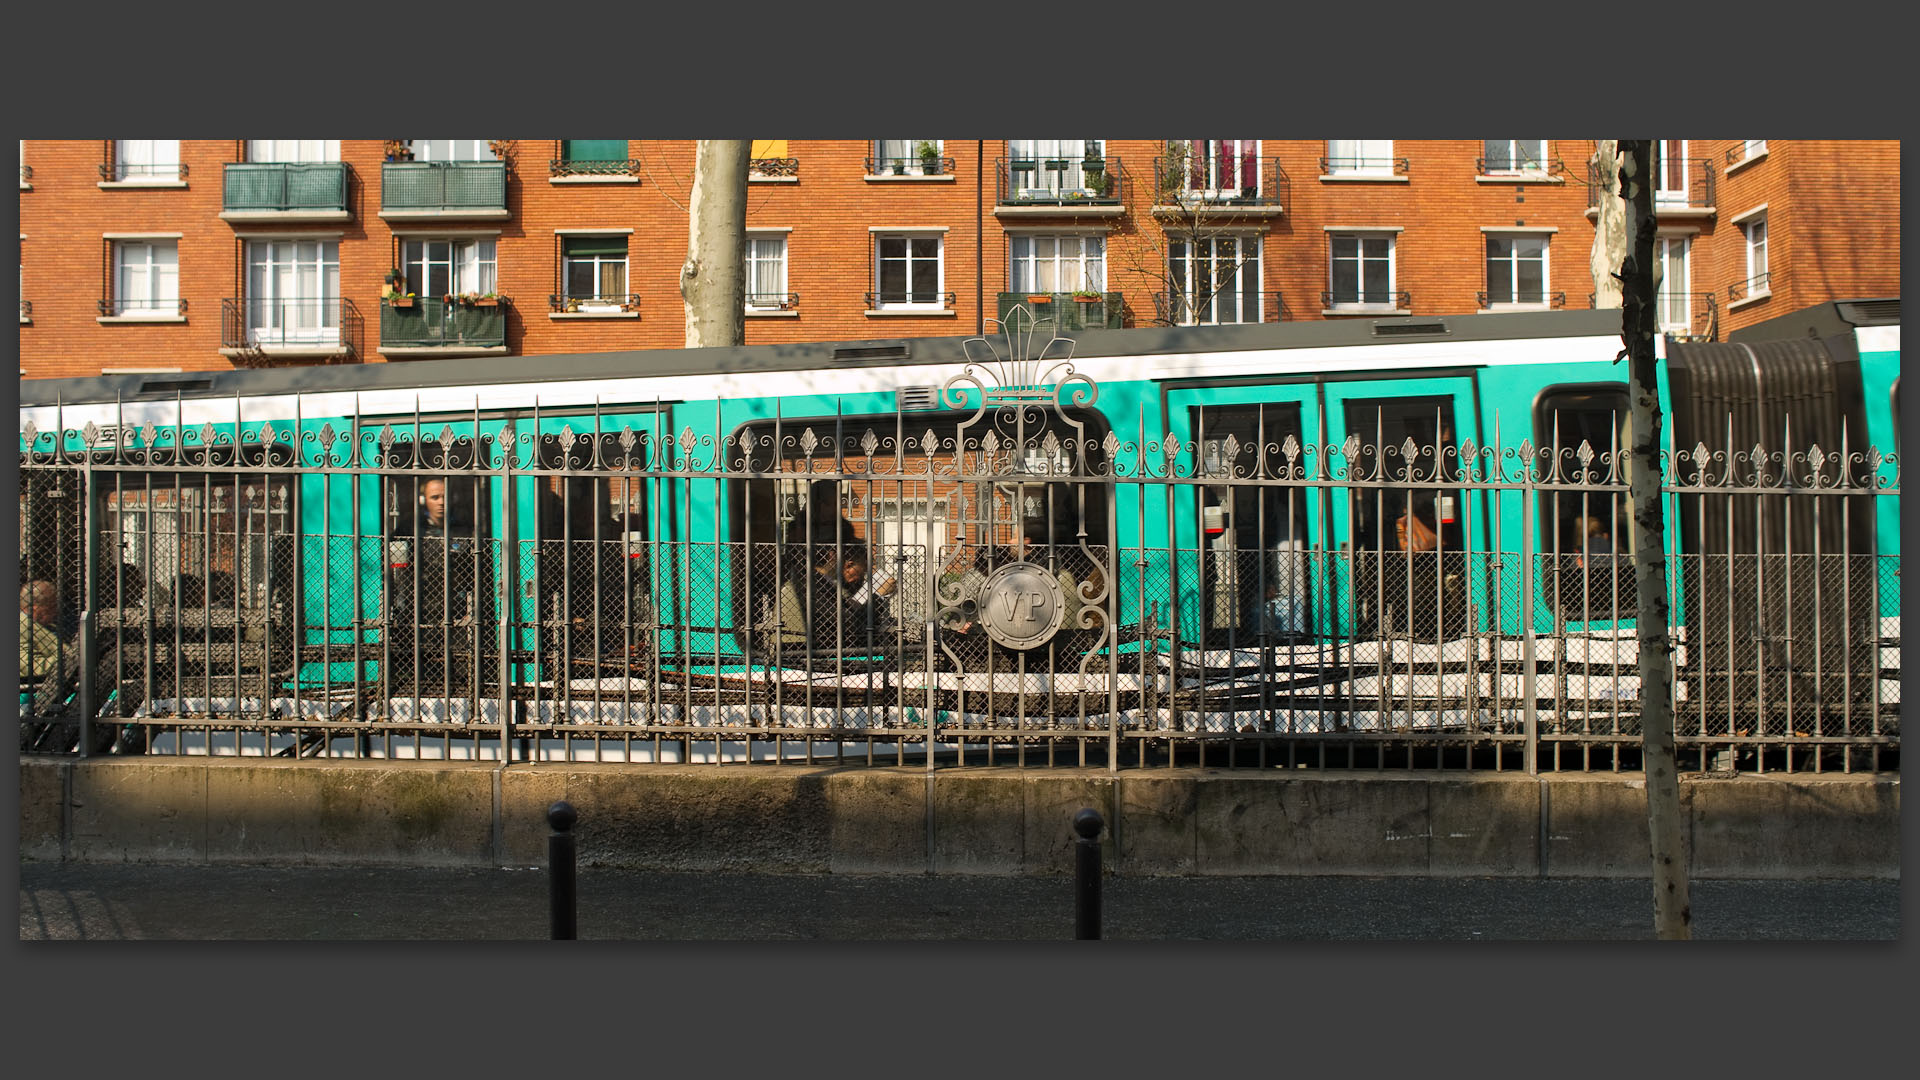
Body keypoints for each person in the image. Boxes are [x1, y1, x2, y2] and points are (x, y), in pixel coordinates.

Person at [1376, 495, 1469, 640]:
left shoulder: (1402, 522)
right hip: (1432, 559)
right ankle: (1437, 627)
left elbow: (1403, 544)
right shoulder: (1428, 519)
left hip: (1416, 562)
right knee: (1435, 593)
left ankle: (1422, 628)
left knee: (1419, 596)